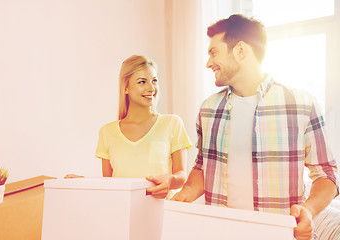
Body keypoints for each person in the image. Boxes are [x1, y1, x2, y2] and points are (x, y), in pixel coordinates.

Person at [172, 14, 339, 240]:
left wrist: (308, 211)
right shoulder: (208, 109)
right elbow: (202, 168)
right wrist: (183, 196)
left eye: (214, 52)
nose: (208, 62)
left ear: (240, 51)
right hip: (219, 234)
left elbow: (326, 174)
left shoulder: (302, 104)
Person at [66, 55, 192, 199]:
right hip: (123, 215)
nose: (151, 88)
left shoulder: (172, 124)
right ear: (126, 88)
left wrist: (169, 180)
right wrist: (83, 183)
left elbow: (181, 175)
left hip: (163, 214)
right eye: (142, 82)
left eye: (154, 81)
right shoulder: (107, 132)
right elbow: (108, 185)